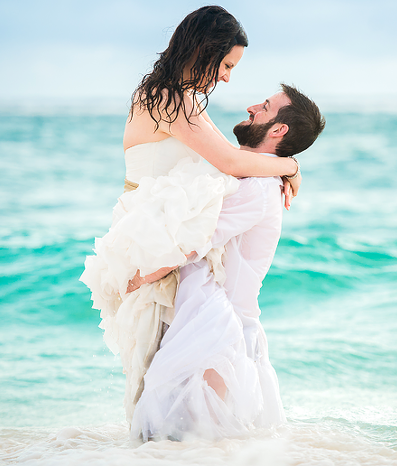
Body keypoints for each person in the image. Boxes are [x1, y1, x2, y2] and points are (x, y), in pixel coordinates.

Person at [79, 6, 301, 422]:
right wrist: (291, 167)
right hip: (151, 239)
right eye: (227, 64)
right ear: (205, 49)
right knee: (158, 374)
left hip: (162, 234)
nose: (226, 77)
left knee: (166, 374)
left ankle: (172, 453)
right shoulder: (167, 99)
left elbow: (231, 158)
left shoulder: (181, 98)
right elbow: (234, 164)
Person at [130, 84, 326, 442]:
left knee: (183, 442)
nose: (253, 107)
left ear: (278, 130)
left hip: (217, 330)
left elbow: (192, 242)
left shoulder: (258, 187)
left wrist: (134, 278)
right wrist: (291, 165)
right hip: (213, 324)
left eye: (265, 107)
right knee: (184, 445)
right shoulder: (253, 176)